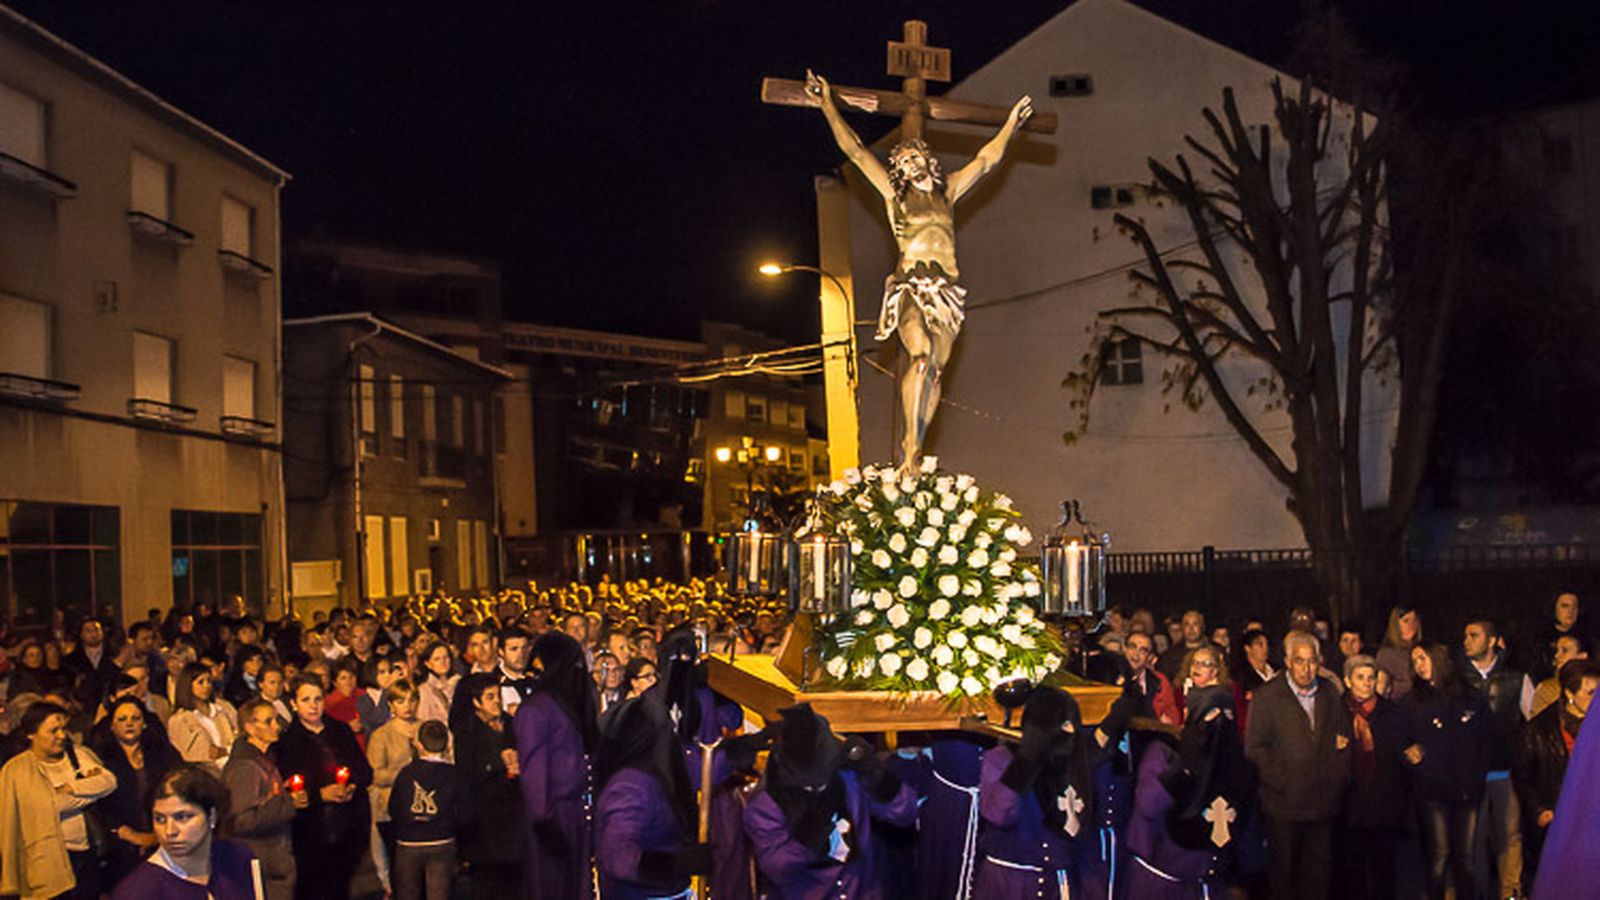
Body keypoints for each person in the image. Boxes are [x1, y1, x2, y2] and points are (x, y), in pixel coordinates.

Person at [804, 69, 1032, 473]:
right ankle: (909, 443)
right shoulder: (896, 198)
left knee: (937, 372)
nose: (908, 165)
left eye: (912, 158)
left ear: (927, 159)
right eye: (902, 163)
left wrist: (1010, 125)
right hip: (911, 285)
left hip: (948, 293)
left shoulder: (949, 192)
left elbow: (986, 160)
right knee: (921, 359)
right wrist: (827, 104)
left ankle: (917, 444)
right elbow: (856, 151)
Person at [743, 703, 918, 899]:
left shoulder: (849, 776)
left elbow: (905, 812)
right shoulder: (766, 804)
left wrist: (875, 772)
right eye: (808, 785)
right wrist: (811, 829)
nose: (817, 789)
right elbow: (777, 867)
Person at [1243, 631, 1350, 900]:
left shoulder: (1330, 694)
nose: (1306, 668)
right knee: (1284, 878)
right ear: (1288, 662)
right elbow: (1255, 747)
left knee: (1318, 878)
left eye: (1311, 661)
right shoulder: (1267, 697)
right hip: (1284, 805)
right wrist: (1282, 779)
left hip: (1322, 804)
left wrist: (1336, 779)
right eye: (1299, 661)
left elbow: (1343, 741)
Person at [1126, 684, 1255, 898]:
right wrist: (1188, 766)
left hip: (1208, 881)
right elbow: (1148, 805)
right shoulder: (1163, 753)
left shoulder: (1236, 765)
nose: (1220, 721)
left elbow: (1246, 832)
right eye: (1211, 713)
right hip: (1160, 879)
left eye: (1227, 713)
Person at [972, 687, 1100, 897]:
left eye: (1072, 724)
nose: (1071, 732)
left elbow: (1083, 837)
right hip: (1007, 885)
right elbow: (1000, 814)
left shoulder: (1073, 762)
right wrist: (1028, 758)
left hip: (1055, 885)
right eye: (1063, 725)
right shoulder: (1001, 759)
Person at [592, 695, 712, 900]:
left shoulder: (658, 773)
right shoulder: (630, 786)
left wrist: (745, 747)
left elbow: (699, 769)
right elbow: (617, 856)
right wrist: (676, 863)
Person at [0, 700, 117, 898]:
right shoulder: (16, 770)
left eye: (63, 729)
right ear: (31, 734)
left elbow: (108, 781)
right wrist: (87, 793)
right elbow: (49, 806)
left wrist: (71, 787)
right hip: (45, 861)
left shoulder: (76, 755)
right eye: (53, 731)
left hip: (84, 855)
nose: (61, 736)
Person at [1402, 643, 1493, 900]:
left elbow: (1487, 740)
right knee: (1439, 856)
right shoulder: (1412, 701)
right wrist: (1411, 756)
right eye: (1415, 661)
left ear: (1439, 658)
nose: (1418, 665)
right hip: (1432, 791)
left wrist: (1476, 774)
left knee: (1466, 858)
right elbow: (1401, 742)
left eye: (1423, 657)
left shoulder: (1471, 697)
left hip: (1468, 789)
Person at [514, 631, 598, 900]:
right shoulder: (536, 710)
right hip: (552, 818)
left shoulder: (565, 704)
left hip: (572, 810)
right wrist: (544, 823)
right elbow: (535, 775)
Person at [274, 675, 374, 900]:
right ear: (293, 703)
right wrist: (319, 794)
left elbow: (365, 771)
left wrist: (350, 787)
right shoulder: (287, 742)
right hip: (311, 832)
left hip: (349, 826)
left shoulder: (340, 731)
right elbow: (286, 787)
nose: (313, 705)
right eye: (306, 699)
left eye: (318, 699)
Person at [110, 764, 261, 899]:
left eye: (182, 817)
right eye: (160, 819)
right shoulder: (138, 891)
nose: (169, 831)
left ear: (211, 816)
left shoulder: (236, 857)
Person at [1460, 617, 1531, 899]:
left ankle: (1510, 892)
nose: (1466, 640)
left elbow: (1533, 721)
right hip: (1470, 771)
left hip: (1505, 768)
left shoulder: (1516, 678)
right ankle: (1476, 892)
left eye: (1473, 635)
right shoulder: (1458, 678)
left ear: (1491, 640)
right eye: (1465, 635)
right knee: (1473, 840)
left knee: (1510, 836)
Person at [1513, 658, 1599, 883]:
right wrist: (1539, 810)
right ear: (1570, 694)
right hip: (1559, 822)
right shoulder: (1539, 730)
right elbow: (1523, 776)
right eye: (1590, 693)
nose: (1596, 699)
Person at [1335, 654, 1411, 900]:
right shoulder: (1336, 713)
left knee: (1384, 872)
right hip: (1348, 805)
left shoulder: (1392, 714)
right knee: (1351, 872)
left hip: (1384, 806)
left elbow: (1401, 758)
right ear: (1348, 681)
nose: (1367, 683)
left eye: (1371, 678)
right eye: (1360, 678)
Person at [90, 695, 183, 886]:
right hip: (120, 848)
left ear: (144, 724)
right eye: (122, 719)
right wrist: (127, 834)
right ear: (112, 726)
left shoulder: (162, 753)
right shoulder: (100, 759)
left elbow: (181, 785)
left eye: (136, 718)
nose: (129, 724)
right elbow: (96, 808)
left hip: (163, 840)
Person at [450, 672, 525, 899]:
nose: (496, 701)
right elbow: (468, 772)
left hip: (513, 817)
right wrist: (498, 764)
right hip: (485, 821)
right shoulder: (467, 731)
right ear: (476, 702)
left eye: (498, 696)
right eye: (490, 697)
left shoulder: (510, 724)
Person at [221, 697, 298, 900]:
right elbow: (241, 820)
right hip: (259, 867)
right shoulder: (244, 768)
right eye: (268, 721)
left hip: (272, 865)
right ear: (250, 728)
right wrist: (287, 802)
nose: (276, 726)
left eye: (275, 720)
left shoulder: (264, 760)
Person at [389, 720, 470, 900]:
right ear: (448, 744)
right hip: (442, 840)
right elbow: (465, 812)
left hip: (409, 842)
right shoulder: (454, 774)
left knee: (407, 893)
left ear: (418, 744)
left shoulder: (406, 773)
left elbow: (394, 808)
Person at [166, 661, 239, 771]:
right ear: (188, 685)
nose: (206, 686)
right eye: (201, 682)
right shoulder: (180, 720)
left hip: (232, 766)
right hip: (202, 773)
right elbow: (194, 754)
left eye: (209, 681)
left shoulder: (224, 708)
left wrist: (224, 751)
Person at [1123, 632, 1181, 726]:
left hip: (1152, 732)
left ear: (1149, 657)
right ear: (1124, 649)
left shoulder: (1160, 680)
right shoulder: (1110, 676)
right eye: (1132, 647)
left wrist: (1167, 722)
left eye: (1143, 650)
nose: (1136, 654)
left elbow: (1173, 714)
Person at [1230, 628, 1275, 739]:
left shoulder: (1276, 671)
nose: (1265, 648)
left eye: (1266, 644)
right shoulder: (1239, 675)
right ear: (1248, 648)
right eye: (1260, 645)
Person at [1528, 634, 1586, 717]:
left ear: (1582, 656)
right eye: (1556, 651)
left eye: (1564, 651)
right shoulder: (1546, 690)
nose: (1557, 656)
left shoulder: (1593, 687)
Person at [1376, 605, 1422, 700]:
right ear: (1396, 625)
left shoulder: (1422, 650)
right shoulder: (1386, 655)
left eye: (1414, 620)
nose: (1412, 625)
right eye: (1406, 621)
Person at [1157, 610, 1211, 685]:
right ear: (1182, 628)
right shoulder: (1169, 656)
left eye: (1195, 624)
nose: (1191, 629)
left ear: (1203, 627)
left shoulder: (1215, 651)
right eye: (1187, 624)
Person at [415, 640, 459, 726]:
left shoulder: (459, 683)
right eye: (437, 659)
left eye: (446, 657)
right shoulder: (424, 690)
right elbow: (422, 721)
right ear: (428, 664)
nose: (443, 662)